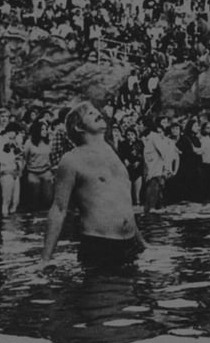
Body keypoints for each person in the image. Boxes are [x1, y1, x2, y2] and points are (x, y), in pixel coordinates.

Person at [40, 102, 146, 269]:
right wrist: (45, 260)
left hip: (131, 243)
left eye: (96, 111)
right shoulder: (71, 160)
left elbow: (122, 202)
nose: (97, 113)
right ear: (79, 127)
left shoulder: (111, 151)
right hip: (100, 245)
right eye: (89, 113)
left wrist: (142, 244)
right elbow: (59, 209)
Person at [0, 122, 24, 216]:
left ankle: (13, 216)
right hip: (5, 170)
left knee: (15, 200)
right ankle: (4, 216)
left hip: (15, 170)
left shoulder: (16, 141)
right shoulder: (0, 139)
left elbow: (20, 156)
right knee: (6, 198)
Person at [22, 121, 53, 210]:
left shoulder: (48, 142)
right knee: (34, 198)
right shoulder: (29, 143)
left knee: (48, 198)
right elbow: (25, 157)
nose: (45, 131)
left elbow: (51, 157)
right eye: (42, 129)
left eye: (46, 129)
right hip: (33, 173)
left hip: (46, 172)